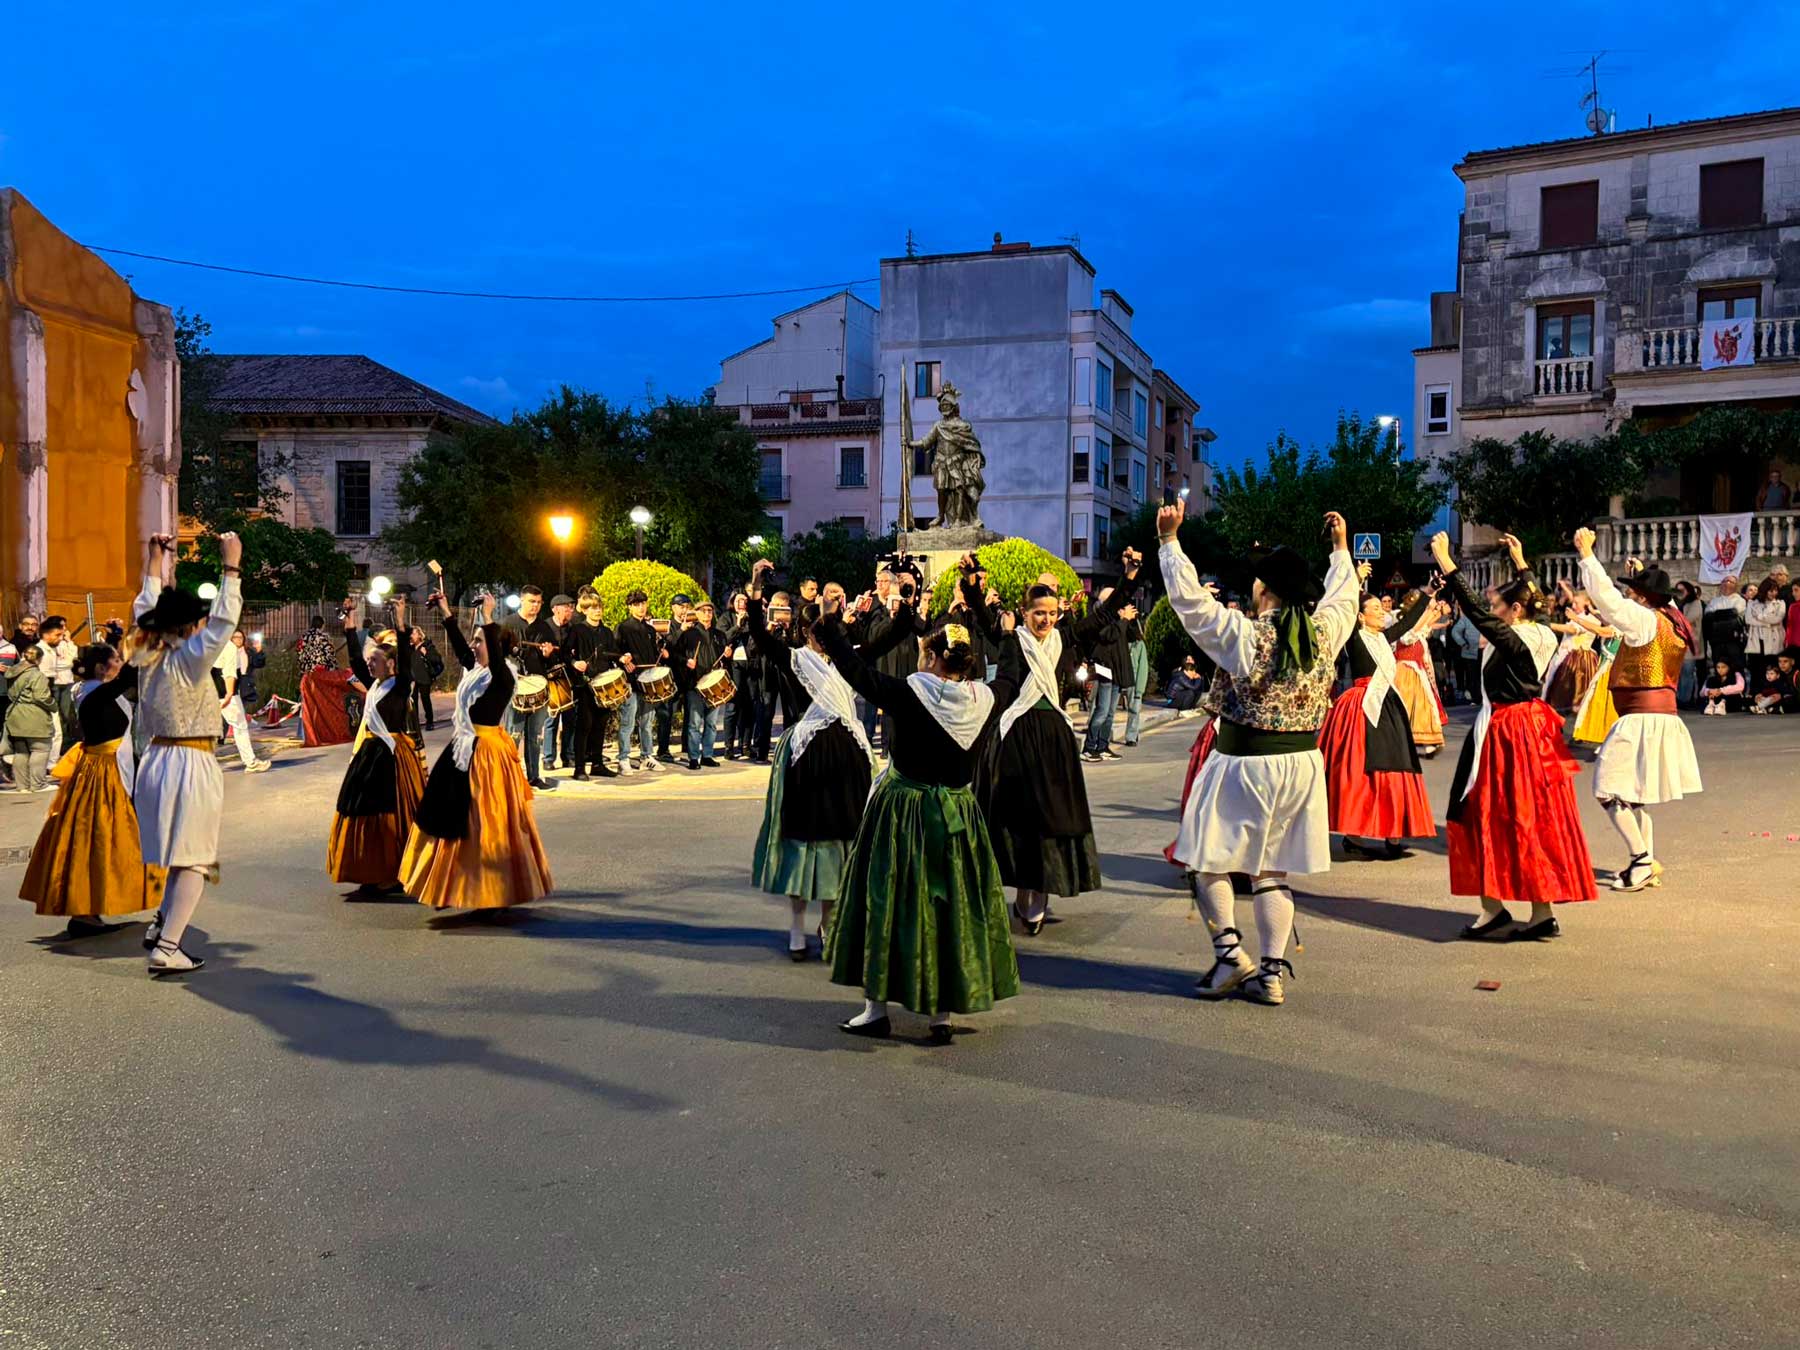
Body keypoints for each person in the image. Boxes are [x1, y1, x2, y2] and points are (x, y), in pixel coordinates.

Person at [1159, 500, 1359, 1008]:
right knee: (1272, 871)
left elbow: (1192, 607)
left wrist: (1170, 544)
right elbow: (1345, 599)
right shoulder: (1324, 634)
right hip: (1301, 767)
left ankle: (1229, 955)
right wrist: (1341, 551)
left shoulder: (1246, 636)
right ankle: (1271, 974)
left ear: (1265, 592)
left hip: (1243, 763)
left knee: (1206, 860)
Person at [817, 604, 1020, 1045]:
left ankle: (876, 1009)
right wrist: (1006, 636)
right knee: (949, 909)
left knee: (887, 904)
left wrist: (829, 627)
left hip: (902, 812)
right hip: (957, 818)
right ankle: (941, 1015)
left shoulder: (909, 694)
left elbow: (855, 671)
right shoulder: (985, 700)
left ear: (929, 658)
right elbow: (1009, 677)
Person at [1430, 532, 1596, 941]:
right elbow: (1535, 599)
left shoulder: (1516, 637)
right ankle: (1539, 911)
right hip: (1529, 730)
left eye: (1498, 606)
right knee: (1530, 817)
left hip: (1505, 731)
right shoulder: (1540, 630)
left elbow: (1474, 611)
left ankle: (1493, 908)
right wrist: (1521, 561)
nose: (1492, 611)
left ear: (1515, 609)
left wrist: (1449, 565)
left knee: (1484, 813)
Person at [971, 550, 1138, 933]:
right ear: (1024, 612)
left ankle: (1039, 892)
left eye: (1050, 613)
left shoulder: (1067, 638)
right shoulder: (1013, 642)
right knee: (1020, 821)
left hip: (1055, 741)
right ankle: (1024, 890)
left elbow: (1104, 616)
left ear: (1058, 613)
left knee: (1051, 821)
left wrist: (1128, 579)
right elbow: (985, 624)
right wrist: (973, 588)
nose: (1045, 620)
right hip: (1017, 737)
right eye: (1037, 614)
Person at [745, 562, 904, 959]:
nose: (826, 633)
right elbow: (760, 636)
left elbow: (890, 638)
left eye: (831, 626)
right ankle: (797, 927)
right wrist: (755, 593)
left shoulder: (850, 658)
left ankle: (830, 924)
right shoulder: (795, 659)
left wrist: (904, 597)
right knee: (804, 841)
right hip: (807, 758)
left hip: (848, 758)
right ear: (806, 631)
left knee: (840, 842)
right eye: (820, 627)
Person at [132, 530, 244, 976]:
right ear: (185, 626)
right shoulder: (187, 656)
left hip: (156, 760)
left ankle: (162, 924)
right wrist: (231, 567)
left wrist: (154, 559)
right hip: (188, 760)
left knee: (180, 853)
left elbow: (145, 607)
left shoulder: (147, 653)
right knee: (195, 857)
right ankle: (169, 946)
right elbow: (222, 624)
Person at [401, 592, 552, 911]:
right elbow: (459, 644)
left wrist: (488, 615)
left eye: (480, 641)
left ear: (495, 647)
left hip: (487, 754)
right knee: (448, 817)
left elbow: (495, 659)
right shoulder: (475, 669)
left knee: (482, 823)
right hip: (463, 747)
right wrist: (444, 610)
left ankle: (491, 888)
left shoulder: (503, 675)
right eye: (475, 640)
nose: (473, 645)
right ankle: (451, 883)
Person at [1574, 531, 1703, 893]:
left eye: (1635, 590)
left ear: (1645, 597)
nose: (1630, 593)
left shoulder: (1645, 620)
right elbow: (1653, 603)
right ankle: (1648, 860)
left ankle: (1642, 861)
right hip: (1663, 717)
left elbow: (1609, 601)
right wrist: (1643, 573)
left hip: (1640, 717)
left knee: (1607, 790)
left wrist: (1587, 555)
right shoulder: (1673, 620)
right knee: (1633, 794)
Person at [17, 641, 166, 935]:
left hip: (106, 769)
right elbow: (130, 676)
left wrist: (118, 635)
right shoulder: (93, 692)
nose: (121, 665)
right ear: (101, 668)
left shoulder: (92, 690)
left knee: (96, 842)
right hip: (103, 774)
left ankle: (88, 912)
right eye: (116, 661)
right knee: (100, 842)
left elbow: (129, 681)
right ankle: (86, 910)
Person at [1317, 563, 1436, 861]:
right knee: (1359, 770)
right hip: (1360, 707)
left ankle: (1393, 833)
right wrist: (1355, 580)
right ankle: (1353, 834)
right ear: (1360, 616)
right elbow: (1339, 609)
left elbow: (1408, 623)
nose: (1382, 612)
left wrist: (1429, 592)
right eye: (1374, 609)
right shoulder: (1353, 637)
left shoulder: (1384, 637)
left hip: (1388, 706)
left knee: (1395, 767)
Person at [329, 597, 426, 896]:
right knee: (361, 811)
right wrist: (350, 622)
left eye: (376, 661)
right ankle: (370, 869)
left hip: (393, 757)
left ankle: (393, 873)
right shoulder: (373, 685)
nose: (370, 664)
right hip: (370, 754)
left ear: (393, 664)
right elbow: (355, 658)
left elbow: (407, 657)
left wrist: (400, 618)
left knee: (391, 815)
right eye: (371, 661)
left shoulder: (399, 684)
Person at [502, 585, 559, 790]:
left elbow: (553, 656)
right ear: (522, 600)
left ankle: (534, 777)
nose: (535, 606)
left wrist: (548, 653)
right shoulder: (508, 623)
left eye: (538, 602)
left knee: (535, 735)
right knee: (513, 734)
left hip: (538, 685)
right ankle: (509, 778)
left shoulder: (544, 628)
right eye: (531, 601)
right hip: (516, 686)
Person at [1079, 586, 1138, 762]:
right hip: (1105, 669)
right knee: (1102, 710)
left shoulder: (1118, 619)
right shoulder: (1100, 619)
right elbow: (1108, 636)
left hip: (1117, 670)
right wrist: (1122, 621)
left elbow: (1133, 636)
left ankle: (1103, 745)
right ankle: (1089, 747)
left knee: (1111, 712)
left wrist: (1130, 620)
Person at [567, 589, 619, 778]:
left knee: (600, 725)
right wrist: (575, 663)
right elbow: (565, 654)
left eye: (599, 608)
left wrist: (623, 657)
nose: (598, 611)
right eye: (593, 608)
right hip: (585, 684)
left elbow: (613, 653)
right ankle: (579, 768)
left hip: (604, 683)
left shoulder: (606, 632)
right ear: (585, 610)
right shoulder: (577, 630)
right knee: (584, 726)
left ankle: (597, 764)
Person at [1389, 593, 1446, 758]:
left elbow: (1425, 623)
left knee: (1424, 706)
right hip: (1405, 671)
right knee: (1408, 708)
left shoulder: (1417, 629)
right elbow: (1414, 630)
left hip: (1416, 671)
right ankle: (1405, 742)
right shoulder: (1404, 629)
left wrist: (1436, 610)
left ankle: (1428, 742)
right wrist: (1430, 608)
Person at [614, 589, 664, 773]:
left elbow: (653, 653)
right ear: (629, 607)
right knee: (628, 721)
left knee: (647, 722)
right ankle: (623, 758)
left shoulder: (650, 630)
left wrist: (661, 654)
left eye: (643, 604)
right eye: (637, 604)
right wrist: (623, 659)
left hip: (648, 682)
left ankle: (646, 756)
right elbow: (615, 652)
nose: (641, 607)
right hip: (630, 682)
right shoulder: (623, 627)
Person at [674, 597, 727, 769]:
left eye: (709, 611)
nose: (707, 614)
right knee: (694, 723)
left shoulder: (719, 635)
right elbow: (675, 654)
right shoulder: (688, 634)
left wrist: (726, 654)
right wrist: (686, 661)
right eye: (703, 611)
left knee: (711, 723)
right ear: (696, 614)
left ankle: (707, 755)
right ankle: (693, 757)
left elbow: (722, 661)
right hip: (694, 684)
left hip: (713, 684)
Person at [212, 631, 271, 773]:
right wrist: (229, 694)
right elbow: (229, 673)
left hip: (215, 691)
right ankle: (251, 762)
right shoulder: (228, 648)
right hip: (226, 693)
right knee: (240, 726)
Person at [4, 645, 56, 793]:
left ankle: (22, 786)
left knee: (21, 752)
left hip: (15, 715)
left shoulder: (12, 672)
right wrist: (53, 706)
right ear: (39, 659)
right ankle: (37, 784)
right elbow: (41, 697)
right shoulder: (36, 675)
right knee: (40, 749)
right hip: (34, 716)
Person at [1745, 579, 1788, 687]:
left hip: (1773, 642)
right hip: (1756, 642)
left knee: (1773, 671)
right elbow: (1748, 620)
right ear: (1764, 590)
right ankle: (1755, 696)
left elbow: (1777, 619)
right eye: (1771, 591)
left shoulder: (1780, 603)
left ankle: (1773, 696)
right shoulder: (1752, 603)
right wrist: (1766, 623)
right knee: (1756, 671)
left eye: (1775, 590)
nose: (1774, 593)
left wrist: (1759, 617)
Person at [1702, 577, 1748, 669]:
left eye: (1730, 582)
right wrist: (1727, 615)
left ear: (1736, 585)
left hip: (1734, 641)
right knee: (1719, 668)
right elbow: (1708, 615)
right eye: (1724, 581)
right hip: (1717, 641)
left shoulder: (1740, 600)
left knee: (1736, 668)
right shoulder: (1714, 601)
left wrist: (1716, 615)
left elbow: (1735, 612)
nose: (1727, 583)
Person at [1448, 603, 1482, 705]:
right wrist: (1462, 642)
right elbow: (1454, 631)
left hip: (1476, 650)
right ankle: (1476, 697)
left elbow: (1455, 631)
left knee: (1474, 676)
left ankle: (1477, 698)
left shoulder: (1468, 618)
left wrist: (1462, 643)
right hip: (1471, 651)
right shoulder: (1468, 618)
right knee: (1474, 676)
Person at [412, 626, 443, 731]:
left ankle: (429, 721)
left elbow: (436, 659)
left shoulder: (427, 646)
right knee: (413, 700)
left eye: (414, 634)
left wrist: (426, 654)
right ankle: (415, 722)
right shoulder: (411, 648)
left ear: (420, 635)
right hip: (413, 678)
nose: (411, 636)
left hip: (424, 677)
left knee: (425, 699)